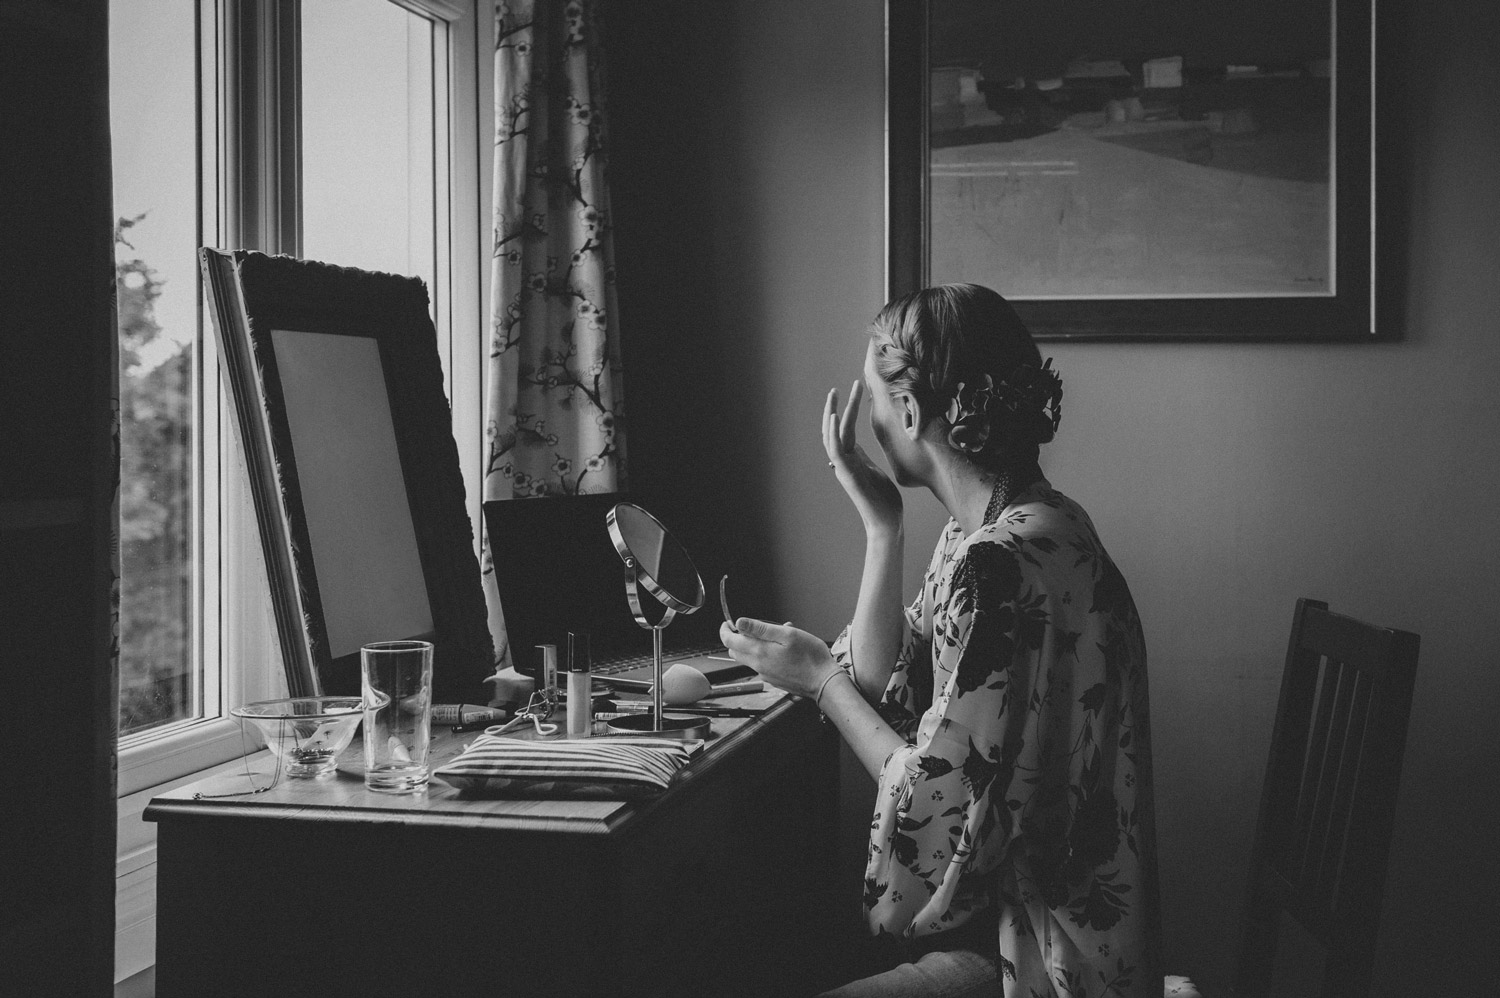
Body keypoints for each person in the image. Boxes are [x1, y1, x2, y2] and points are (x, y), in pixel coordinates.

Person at [720, 284, 1161, 998]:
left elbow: (933, 816)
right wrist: (881, 527)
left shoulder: (999, 564)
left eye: (875, 397)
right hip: (1021, 926)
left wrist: (819, 681)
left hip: (1036, 956)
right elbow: (885, 681)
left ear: (909, 409)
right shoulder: (1008, 529)